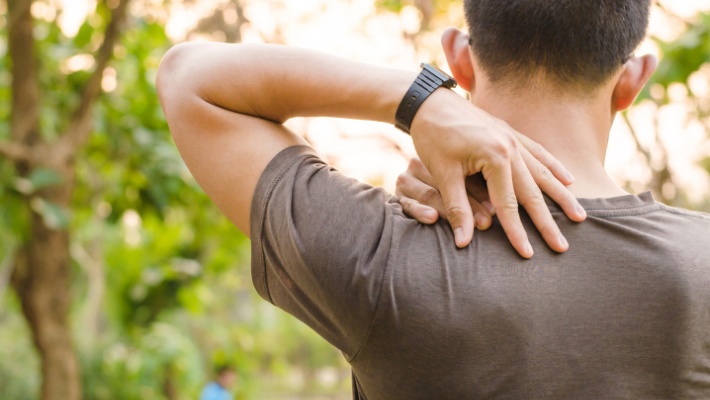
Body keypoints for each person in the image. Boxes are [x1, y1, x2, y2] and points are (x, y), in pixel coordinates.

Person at [156, 0, 710, 398]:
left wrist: (419, 99)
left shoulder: (385, 255)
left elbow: (189, 79)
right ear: (633, 79)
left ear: (459, 58)